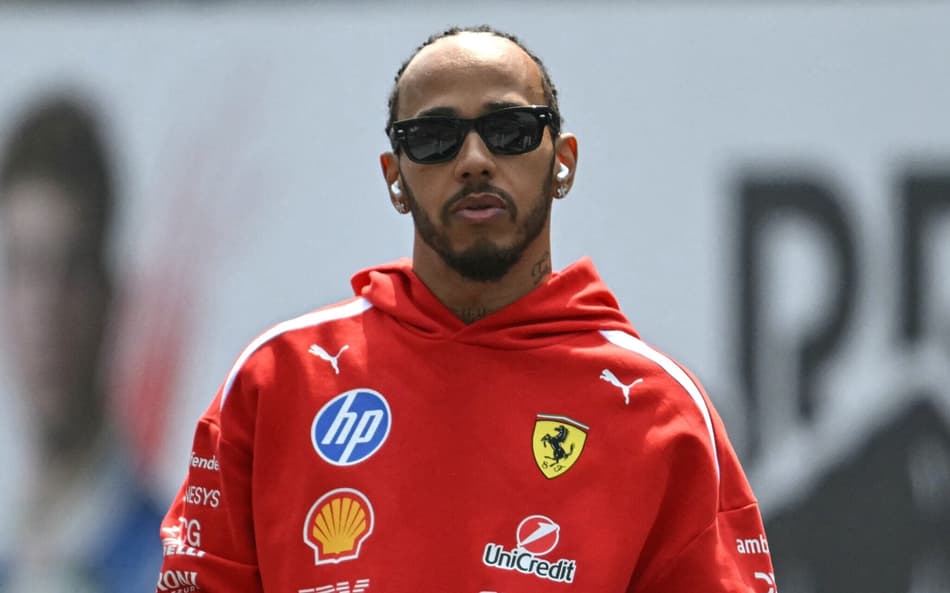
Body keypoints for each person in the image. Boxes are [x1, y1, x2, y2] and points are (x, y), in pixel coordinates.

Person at [157, 26, 775, 592]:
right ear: (394, 177)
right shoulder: (279, 378)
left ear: (563, 162)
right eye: (434, 138)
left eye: (510, 130)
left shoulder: (659, 409)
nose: (475, 159)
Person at [0, 95, 162, 593]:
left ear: (112, 296)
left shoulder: (165, 561)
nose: (44, 308)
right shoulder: (14, 549)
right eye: (24, 267)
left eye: (70, 269)